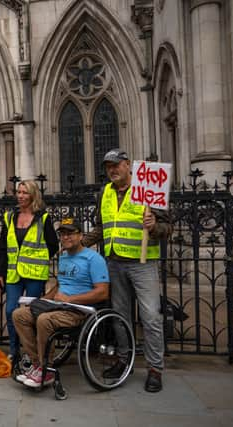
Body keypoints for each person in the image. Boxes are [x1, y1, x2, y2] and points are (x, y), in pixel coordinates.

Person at [82, 148, 172, 393]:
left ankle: (155, 369)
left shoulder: (147, 190)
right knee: (120, 317)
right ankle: (125, 361)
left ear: (127, 165)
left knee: (151, 317)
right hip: (114, 263)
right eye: (108, 167)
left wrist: (154, 227)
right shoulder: (105, 193)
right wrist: (80, 244)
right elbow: (102, 227)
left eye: (116, 165)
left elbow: (167, 228)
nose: (112, 170)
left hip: (142, 265)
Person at [12, 217, 110, 388]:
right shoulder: (64, 257)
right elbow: (59, 286)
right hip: (58, 306)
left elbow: (102, 292)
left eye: (70, 233)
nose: (66, 238)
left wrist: (70, 299)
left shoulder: (94, 259)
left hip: (79, 310)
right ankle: (37, 364)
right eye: (63, 234)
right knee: (19, 315)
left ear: (81, 236)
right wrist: (42, 300)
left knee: (44, 319)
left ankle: (47, 368)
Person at [0, 180, 59, 359]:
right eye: (19, 192)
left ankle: (31, 352)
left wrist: (38, 257)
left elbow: (53, 244)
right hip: (13, 273)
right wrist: (0, 273)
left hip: (34, 274)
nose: (21, 196)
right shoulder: (9, 217)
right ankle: (14, 351)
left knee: (31, 314)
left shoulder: (43, 217)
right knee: (10, 311)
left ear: (33, 195)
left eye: (25, 192)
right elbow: (2, 247)